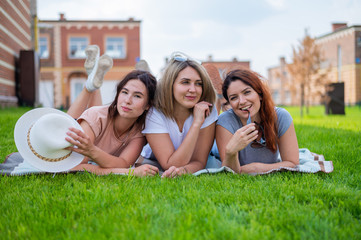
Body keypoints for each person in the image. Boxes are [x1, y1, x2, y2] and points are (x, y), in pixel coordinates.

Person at [65, 45, 159, 177]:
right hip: (66, 133)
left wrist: (92, 151)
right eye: (124, 92)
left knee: (98, 115)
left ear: (148, 105)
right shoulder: (96, 116)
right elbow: (75, 167)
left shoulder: (140, 131)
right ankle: (90, 86)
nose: (127, 100)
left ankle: (93, 79)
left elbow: (124, 163)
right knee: (72, 122)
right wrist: (129, 173)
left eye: (137, 96)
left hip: (98, 128)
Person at [139, 51, 218, 178]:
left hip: (192, 163)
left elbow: (199, 161)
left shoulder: (207, 109)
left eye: (198, 84)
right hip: (154, 161)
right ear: (170, 85)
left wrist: (184, 171)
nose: (193, 90)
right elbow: (169, 164)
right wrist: (196, 124)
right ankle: (145, 78)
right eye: (185, 82)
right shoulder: (154, 113)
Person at [216, 69, 299, 174]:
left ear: (259, 94)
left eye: (247, 92)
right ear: (230, 103)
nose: (242, 101)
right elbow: (230, 172)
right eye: (234, 98)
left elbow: (293, 163)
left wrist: (256, 168)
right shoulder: (225, 122)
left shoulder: (281, 117)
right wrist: (230, 151)